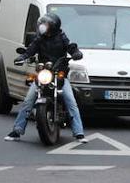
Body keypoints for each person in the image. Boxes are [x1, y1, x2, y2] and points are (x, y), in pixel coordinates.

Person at [5, 12, 86, 142]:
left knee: (71, 101)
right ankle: (17, 130)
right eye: (42, 24)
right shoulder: (39, 38)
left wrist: (76, 53)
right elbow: (30, 50)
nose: (43, 26)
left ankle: (79, 133)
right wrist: (22, 57)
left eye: (46, 24)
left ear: (53, 26)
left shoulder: (62, 37)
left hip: (59, 74)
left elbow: (70, 47)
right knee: (28, 100)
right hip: (44, 73)